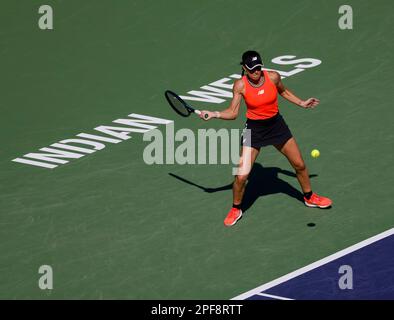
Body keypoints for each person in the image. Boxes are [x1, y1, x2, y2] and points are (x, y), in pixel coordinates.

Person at [200, 50, 332, 227]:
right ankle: (236, 208)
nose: (256, 71)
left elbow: (283, 92)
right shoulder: (240, 85)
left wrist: (301, 102)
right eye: (252, 68)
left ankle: (309, 197)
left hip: (276, 126)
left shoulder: (273, 77)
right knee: (241, 176)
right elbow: (232, 113)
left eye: (258, 67)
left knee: (299, 165)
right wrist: (214, 113)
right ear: (244, 68)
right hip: (254, 131)